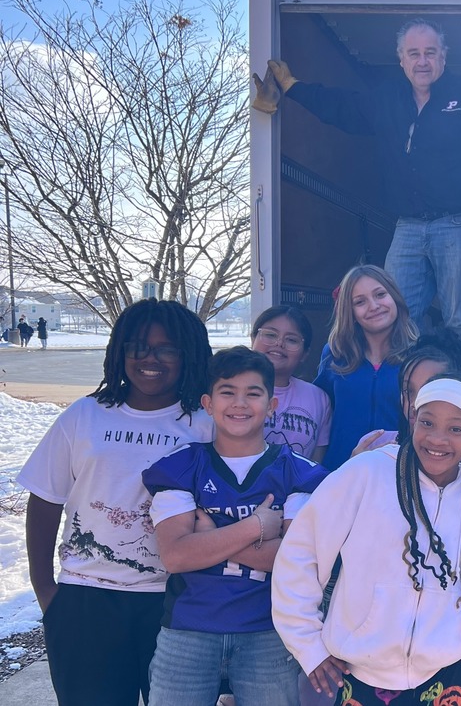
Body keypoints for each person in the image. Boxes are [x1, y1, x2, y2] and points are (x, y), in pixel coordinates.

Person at [271, 374, 461, 705]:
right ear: (412, 420)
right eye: (428, 422)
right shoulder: (364, 475)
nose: (438, 439)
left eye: (455, 429)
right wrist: (308, 644)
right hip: (364, 675)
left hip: (458, 674)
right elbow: (300, 554)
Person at [252, 18, 461, 358]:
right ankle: (407, 395)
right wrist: (293, 87)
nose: (423, 61)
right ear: (401, 59)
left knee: (460, 319)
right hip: (407, 225)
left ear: (444, 57)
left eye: (430, 53)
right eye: (414, 53)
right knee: (397, 318)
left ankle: (459, 399)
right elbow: (342, 108)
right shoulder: (388, 99)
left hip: (460, 223)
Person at [18, 299, 214, 706]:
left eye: (166, 348)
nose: (149, 358)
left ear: (188, 354)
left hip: (179, 600)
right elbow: (45, 500)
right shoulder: (85, 416)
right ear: (120, 350)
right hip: (87, 601)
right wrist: (46, 592)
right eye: (137, 346)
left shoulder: (205, 422)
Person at [141, 346, 328, 706]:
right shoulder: (182, 465)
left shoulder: (298, 471)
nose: (240, 404)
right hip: (189, 628)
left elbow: (295, 560)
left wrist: (210, 538)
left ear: (271, 406)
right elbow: (176, 556)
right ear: (208, 404)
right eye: (228, 392)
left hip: (268, 631)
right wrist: (256, 526)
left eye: (253, 393)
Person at [313, 264, 418, 470]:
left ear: (394, 297)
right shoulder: (335, 354)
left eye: (380, 294)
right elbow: (320, 412)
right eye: (360, 302)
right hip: (341, 471)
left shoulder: (419, 355)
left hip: (399, 473)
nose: (373, 306)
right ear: (349, 311)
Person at [250, 305, 331, 462]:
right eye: (270, 335)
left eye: (291, 340)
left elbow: (317, 464)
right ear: (253, 339)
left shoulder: (319, 398)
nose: (279, 343)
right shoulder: (228, 389)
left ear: (305, 353)